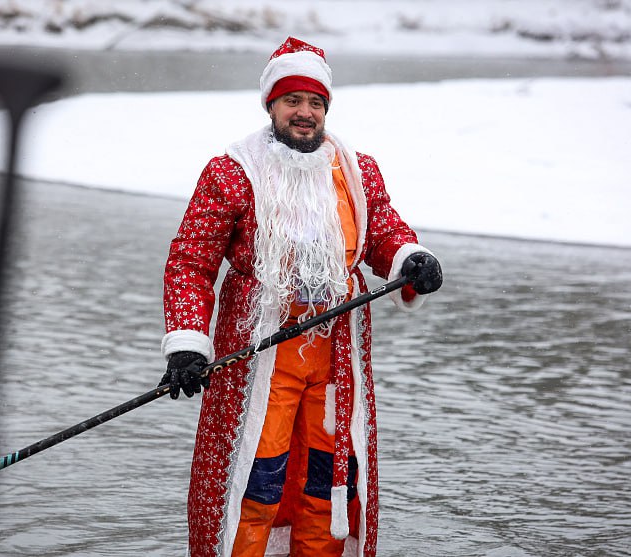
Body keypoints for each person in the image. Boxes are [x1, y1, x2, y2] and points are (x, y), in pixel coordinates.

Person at [159, 37, 442, 557]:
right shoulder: (231, 172)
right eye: (293, 101)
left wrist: (408, 257)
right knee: (255, 480)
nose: (305, 113)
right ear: (271, 105)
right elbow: (191, 262)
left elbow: (382, 231)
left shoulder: (358, 170)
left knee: (329, 478)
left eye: (315, 103)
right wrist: (187, 343)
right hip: (260, 353)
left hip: (336, 356)